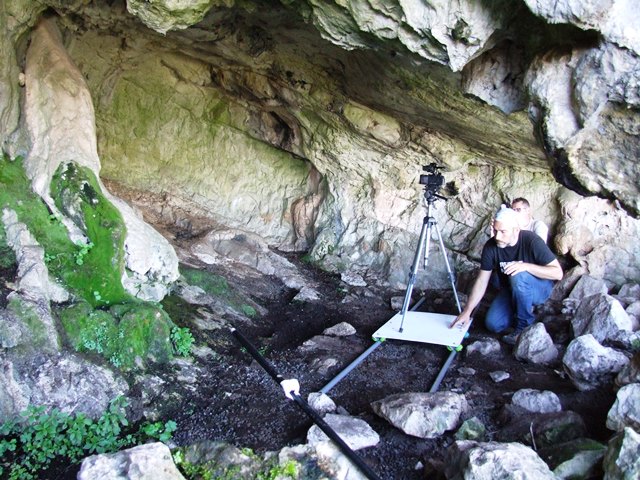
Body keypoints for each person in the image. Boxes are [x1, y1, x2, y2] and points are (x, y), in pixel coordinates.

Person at [450, 206, 563, 344]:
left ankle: (523, 327)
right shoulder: (491, 246)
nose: (497, 236)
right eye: (495, 231)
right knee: (493, 324)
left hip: (539, 289)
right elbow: (481, 281)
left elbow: (558, 273)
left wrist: (525, 266)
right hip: (511, 289)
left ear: (516, 230)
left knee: (518, 275)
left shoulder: (531, 240)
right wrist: (467, 311)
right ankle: (520, 307)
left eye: (503, 232)